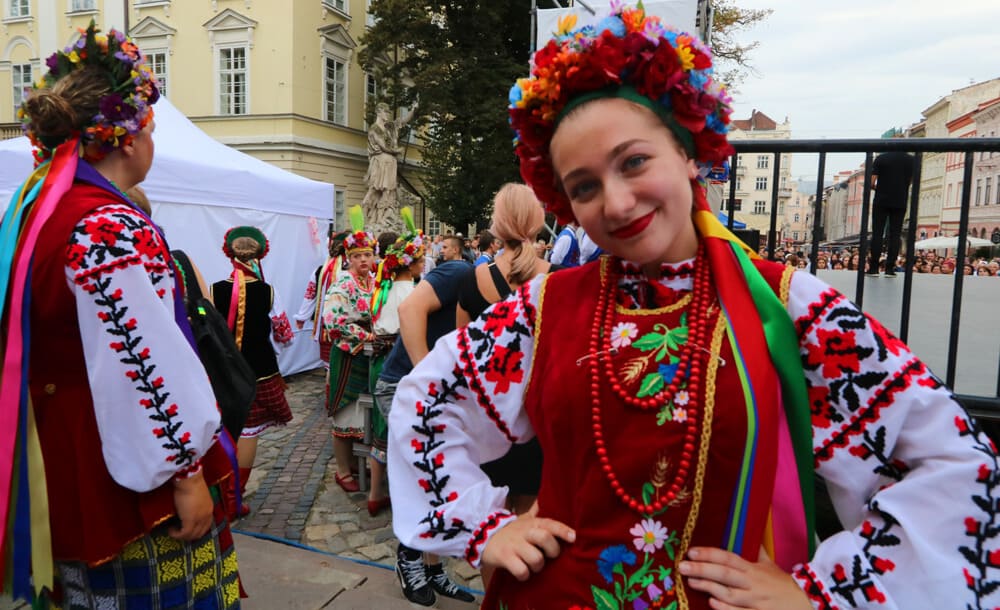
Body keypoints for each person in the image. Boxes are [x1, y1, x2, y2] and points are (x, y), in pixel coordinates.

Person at [387, 5, 1000, 609]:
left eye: (634, 161)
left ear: (686, 150)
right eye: (585, 187)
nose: (618, 201)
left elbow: (952, 462)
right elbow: (427, 401)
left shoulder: (786, 304)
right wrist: (487, 528)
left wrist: (820, 592)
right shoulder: (545, 307)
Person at [2, 22, 240, 607]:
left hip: (66, 459)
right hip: (131, 484)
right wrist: (185, 473)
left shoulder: (41, 214)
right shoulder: (108, 227)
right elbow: (142, 362)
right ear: (129, 140)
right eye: (152, 129)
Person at [374, 250, 474, 606]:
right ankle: (409, 559)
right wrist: (424, 376)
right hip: (402, 386)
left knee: (442, 483)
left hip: (439, 393)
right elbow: (408, 309)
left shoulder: (510, 292)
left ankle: (434, 571)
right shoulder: (461, 272)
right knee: (427, 478)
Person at [212, 226, 294, 519]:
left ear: (229, 254)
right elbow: (284, 334)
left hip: (223, 372)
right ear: (259, 256)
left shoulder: (214, 289)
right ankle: (235, 496)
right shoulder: (268, 290)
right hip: (258, 371)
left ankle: (220, 492)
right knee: (248, 431)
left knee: (222, 427)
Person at [367, 208, 426, 516]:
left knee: (381, 429)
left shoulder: (382, 289)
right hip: (401, 365)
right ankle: (407, 494)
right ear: (411, 264)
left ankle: (375, 494)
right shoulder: (415, 294)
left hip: (378, 361)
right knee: (403, 429)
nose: (423, 264)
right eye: (420, 260)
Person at [323, 206, 377, 493]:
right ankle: (343, 470)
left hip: (369, 353)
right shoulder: (343, 282)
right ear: (348, 258)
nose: (364, 260)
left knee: (362, 415)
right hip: (348, 353)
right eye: (357, 256)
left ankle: (358, 465)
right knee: (345, 414)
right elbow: (332, 319)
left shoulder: (376, 281)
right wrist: (365, 335)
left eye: (367, 254)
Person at [293, 229, 351, 365]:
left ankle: (331, 385)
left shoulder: (321, 271)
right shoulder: (356, 270)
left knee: (330, 364)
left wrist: (302, 316)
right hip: (351, 325)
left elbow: (310, 295)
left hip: (327, 326)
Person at [362, 102, 415, 232]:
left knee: (388, 191)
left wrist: (413, 109)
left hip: (390, 162)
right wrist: (396, 150)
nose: (388, 115)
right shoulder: (375, 129)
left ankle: (382, 218)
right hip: (380, 161)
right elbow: (383, 145)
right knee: (375, 188)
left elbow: (402, 122)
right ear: (379, 111)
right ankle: (368, 217)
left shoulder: (389, 127)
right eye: (386, 112)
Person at [867, 149, 915, 278]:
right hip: (900, 200)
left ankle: (873, 268)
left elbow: (871, 182)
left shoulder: (881, 158)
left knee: (877, 233)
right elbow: (910, 181)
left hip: (881, 199)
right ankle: (889, 269)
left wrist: (878, 188)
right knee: (895, 234)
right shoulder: (911, 160)